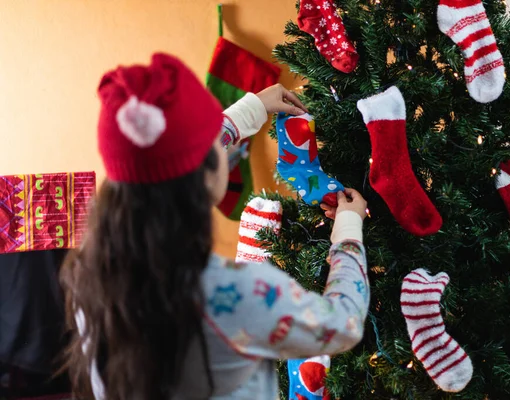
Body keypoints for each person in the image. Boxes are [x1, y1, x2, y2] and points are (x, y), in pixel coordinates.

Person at [60, 53, 370, 400]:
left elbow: (171, 160)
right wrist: (348, 228)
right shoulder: (238, 292)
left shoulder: (89, 270)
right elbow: (344, 323)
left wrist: (251, 108)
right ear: (207, 176)